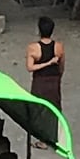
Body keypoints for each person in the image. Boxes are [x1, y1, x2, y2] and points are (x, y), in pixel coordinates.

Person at [26, 17, 65, 148]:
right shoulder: (59, 47)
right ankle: (54, 137)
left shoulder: (33, 48)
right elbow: (61, 66)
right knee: (54, 107)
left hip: (40, 81)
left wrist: (45, 63)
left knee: (39, 109)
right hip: (54, 80)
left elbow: (30, 68)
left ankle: (42, 139)